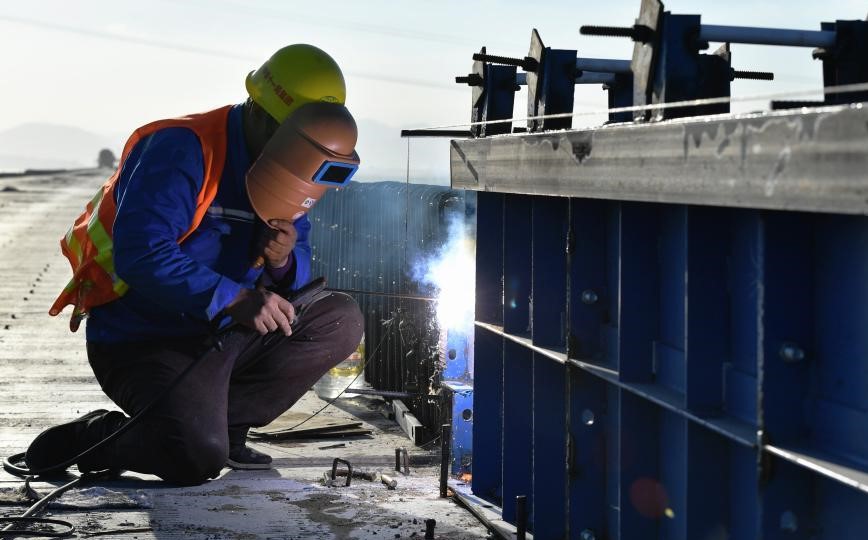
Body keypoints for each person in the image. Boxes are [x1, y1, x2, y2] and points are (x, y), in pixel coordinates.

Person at [24, 44, 364, 485]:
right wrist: (233, 298)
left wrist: (282, 262)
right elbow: (140, 253)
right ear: (262, 114)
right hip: (144, 341)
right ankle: (99, 437)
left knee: (339, 318)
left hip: (221, 338)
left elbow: (297, 264)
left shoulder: (288, 164)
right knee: (193, 458)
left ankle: (226, 427)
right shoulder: (183, 149)